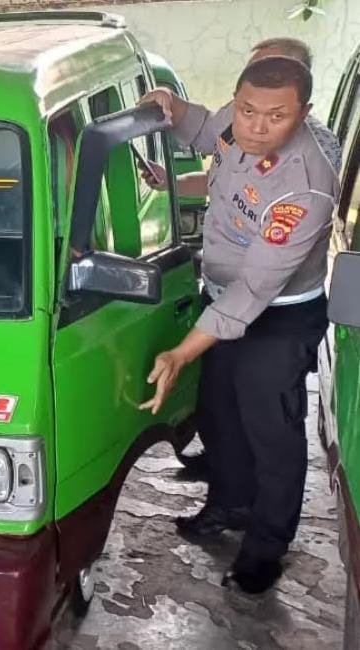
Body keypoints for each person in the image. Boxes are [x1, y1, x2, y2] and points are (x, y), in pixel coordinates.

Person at [137, 55, 339, 594]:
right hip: (221, 297)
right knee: (218, 413)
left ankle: (265, 550)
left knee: (271, 433)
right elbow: (205, 129)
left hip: (280, 316)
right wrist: (171, 106)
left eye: (276, 116)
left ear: (304, 113)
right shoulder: (241, 114)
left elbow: (256, 290)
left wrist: (182, 352)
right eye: (247, 110)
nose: (256, 125)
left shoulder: (306, 185)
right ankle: (228, 503)